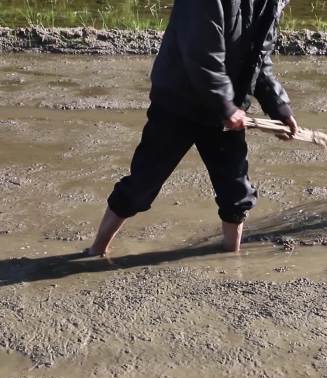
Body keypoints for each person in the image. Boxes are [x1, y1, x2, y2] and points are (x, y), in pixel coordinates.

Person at [86, 0, 297, 256]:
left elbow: (259, 59)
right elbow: (201, 53)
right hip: (178, 103)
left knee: (236, 193)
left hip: (225, 109)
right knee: (142, 184)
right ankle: (96, 249)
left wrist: (279, 108)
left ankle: (232, 258)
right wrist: (227, 107)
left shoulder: (269, 3)